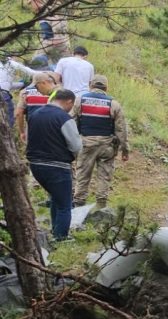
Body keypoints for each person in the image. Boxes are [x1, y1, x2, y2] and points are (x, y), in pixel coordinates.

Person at [26, 89, 81, 241]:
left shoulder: (35, 114)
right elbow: (76, 146)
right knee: (65, 204)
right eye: (72, 105)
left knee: (56, 198)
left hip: (35, 164)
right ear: (69, 101)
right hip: (57, 165)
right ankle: (61, 238)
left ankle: (55, 231)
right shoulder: (64, 118)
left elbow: (29, 137)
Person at [72, 75, 128, 208]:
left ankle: (79, 202)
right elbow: (121, 129)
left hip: (85, 144)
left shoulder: (80, 101)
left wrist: (73, 143)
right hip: (107, 145)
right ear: (106, 88)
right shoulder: (113, 104)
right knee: (105, 175)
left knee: (82, 174)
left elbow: (72, 122)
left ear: (90, 85)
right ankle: (101, 204)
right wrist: (125, 149)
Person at [13, 71, 56, 142]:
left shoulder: (25, 92)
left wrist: (22, 132)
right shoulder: (59, 91)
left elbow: (19, 113)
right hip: (52, 127)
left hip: (33, 127)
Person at [0, 53, 35, 127]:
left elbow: (6, 84)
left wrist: (21, 84)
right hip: (3, 94)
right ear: (12, 56)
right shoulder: (9, 62)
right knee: (8, 118)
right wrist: (45, 74)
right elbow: (28, 71)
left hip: (3, 91)